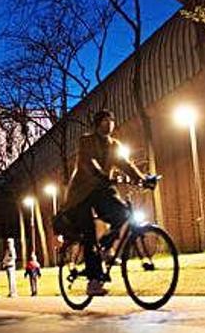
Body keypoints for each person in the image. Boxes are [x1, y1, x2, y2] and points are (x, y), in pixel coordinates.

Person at [63, 109, 157, 296]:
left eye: (111, 121)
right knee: (89, 233)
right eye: (104, 121)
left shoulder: (114, 145)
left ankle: (107, 248)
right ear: (97, 125)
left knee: (123, 214)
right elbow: (88, 161)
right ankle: (93, 281)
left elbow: (125, 164)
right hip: (82, 195)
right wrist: (100, 174)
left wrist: (143, 179)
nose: (109, 124)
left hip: (102, 191)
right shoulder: (86, 141)